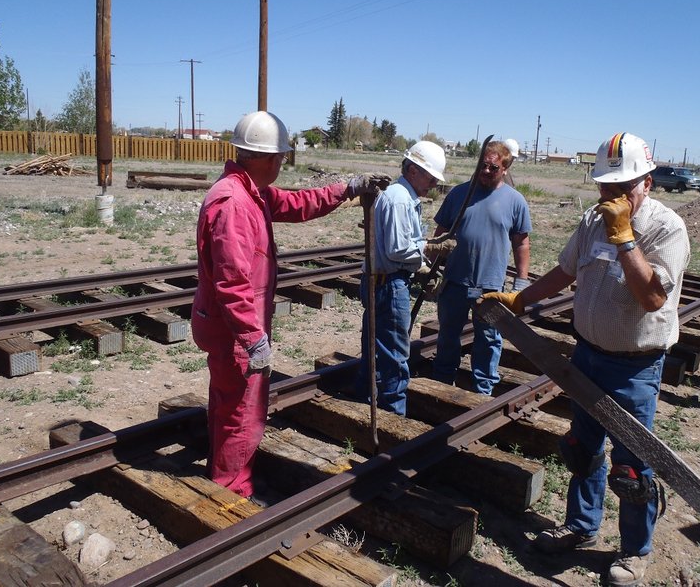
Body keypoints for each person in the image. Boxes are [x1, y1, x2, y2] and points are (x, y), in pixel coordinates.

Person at [482, 132, 690, 586]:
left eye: (623, 188)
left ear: (647, 183)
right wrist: (521, 299)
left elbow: (653, 297)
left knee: (632, 467)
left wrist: (625, 239)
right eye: (605, 187)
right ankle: (581, 526)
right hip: (588, 355)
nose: (611, 197)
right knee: (582, 450)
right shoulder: (592, 222)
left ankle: (636, 551)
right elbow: (565, 271)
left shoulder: (666, 229)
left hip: (634, 366)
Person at [191, 110, 388, 501]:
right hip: (234, 331)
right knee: (242, 415)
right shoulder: (234, 203)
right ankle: (231, 490)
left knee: (228, 405)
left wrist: (346, 188)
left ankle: (223, 471)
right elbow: (232, 283)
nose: (283, 163)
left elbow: (298, 203)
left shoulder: (250, 191)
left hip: (227, 326)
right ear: (267, 158)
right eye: (281, 156)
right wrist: (253, 340)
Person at [354, 141, 454, 415]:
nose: (434, 183)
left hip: (382, 280)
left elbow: (395, 245)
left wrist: (419, 265)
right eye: (431, 176)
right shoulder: (399, 199)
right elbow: (398, 249)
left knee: (375, 349)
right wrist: (428, 249)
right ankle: (393, 414)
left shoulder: (402, 196)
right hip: (389, 284)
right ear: (412, 170)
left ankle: (367, 402)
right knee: (395, 355)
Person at [431, 140, 532, 395]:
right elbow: (440, 232)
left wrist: (520, 282)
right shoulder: (458, 194)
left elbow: (521, 244)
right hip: (454, 281)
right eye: (482, 166)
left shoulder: (515, 201)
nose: (486, 171)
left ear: (505, 169)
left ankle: (482, 391)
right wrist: (430, 264)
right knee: (448, 336)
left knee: (488, 340)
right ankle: (442, 383)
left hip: (490, 287)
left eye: (493, 167)